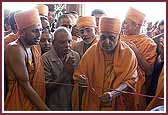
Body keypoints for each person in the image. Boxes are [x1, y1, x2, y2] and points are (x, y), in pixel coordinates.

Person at [72, 17, 138, 111]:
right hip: (94, 101)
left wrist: (113, 93)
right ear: (99, 35)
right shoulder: (91, 52)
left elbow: (130, 80)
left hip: (118, 103)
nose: (107, 42)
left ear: (119, 36)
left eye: (111, 38)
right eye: (103, 37)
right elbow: (79, 75)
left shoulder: (128, 54)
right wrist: (81, 80)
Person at [4, 9, 49, 111]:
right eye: (34, 31)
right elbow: (25, 85)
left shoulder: (34, 46)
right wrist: (46, 110)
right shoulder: (14, 49)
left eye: (40, 30)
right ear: (22, 32)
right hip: (19, 103)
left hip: (36, 101)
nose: (39, 35)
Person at [120, 7, 157, 110]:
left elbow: (149, 70)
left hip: (137, 85)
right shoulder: (118, 38)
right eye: (123, 23)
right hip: (117, 81)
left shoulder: (148, 43)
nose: (123, 25)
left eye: (126, 23)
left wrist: (136, 52)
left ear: (136, 25)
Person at [42, 27, 80, 110]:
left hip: (72, 104)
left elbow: (77, 83)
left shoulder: (75, 56)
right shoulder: (45, 59)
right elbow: (46, 89)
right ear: (53, 43)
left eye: (69, 41)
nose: (67, 45)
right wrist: (65, 72)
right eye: (62, 42)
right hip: (53, 106)